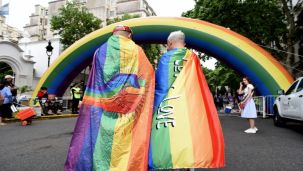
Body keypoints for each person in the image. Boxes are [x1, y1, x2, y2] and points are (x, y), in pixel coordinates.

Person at [65, 25, 155, 171]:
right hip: (129, 109)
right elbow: (148, 74)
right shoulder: (137, 50)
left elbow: (96, 80)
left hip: (103, 109)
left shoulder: (100, 51)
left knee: (102, 142)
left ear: (113, 34)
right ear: (129, 36)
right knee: (125, 142)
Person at [148, 31, 224, 169]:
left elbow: (161, 85)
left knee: (173, 132)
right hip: (190, 103)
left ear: (170, 43)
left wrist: (156, 104)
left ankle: (175, 163)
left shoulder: (166, 58)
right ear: (183, 43)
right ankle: (191, 163)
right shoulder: (192, 57)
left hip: (170, 104)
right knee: (190, 131)